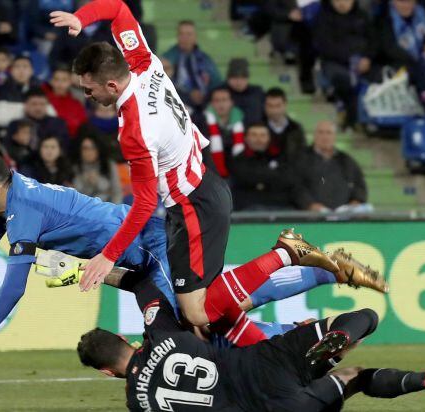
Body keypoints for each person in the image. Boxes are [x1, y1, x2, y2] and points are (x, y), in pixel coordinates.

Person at [0, 152, 386, 358]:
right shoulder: (3, 208)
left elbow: (13, 285)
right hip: (134, 251)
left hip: (148, 240)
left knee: (204, 321)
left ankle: (293, 317)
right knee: (206, 309)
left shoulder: (24, 209)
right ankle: (321, 274)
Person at [51, 0, 343, 337]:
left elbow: (145, 203)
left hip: (193, 207)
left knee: (198, 312)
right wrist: (81, 18)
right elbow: (118, 8)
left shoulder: (135, 131)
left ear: (112, 86)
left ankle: (285, 257)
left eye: (89, 89)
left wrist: (107, 256)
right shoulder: (143, 62)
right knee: (205, 310)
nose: (87, 95)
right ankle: (299, 324)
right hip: (202, 187)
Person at [76, 275, 425, 411]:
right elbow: (143, 282)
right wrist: (88, 270)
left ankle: (413, 377)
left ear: (105, 372)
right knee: (364, 319)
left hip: (272, 406)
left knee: (353, 377)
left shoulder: (139, 403)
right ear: (122, 337)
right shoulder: (160, 334)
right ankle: (347, 342)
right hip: (263, 360)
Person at [313, 0, 376, 127]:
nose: (342, 3)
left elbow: (374, 41)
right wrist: (350, 59)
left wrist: (367, 58)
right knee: (343, 80)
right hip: (334, 62)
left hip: (364, 62)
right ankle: (352, 118)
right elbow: (324, 46)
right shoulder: (322, 18)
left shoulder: (363, 16)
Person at [295, 121, 370, 212]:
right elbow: (295, 187)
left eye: (329, 133)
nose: (325, 136)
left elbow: (359, 186)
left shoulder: (346, 160)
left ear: (334, 136)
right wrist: (309, 204)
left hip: (343, 216)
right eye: (321, 132)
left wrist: (356, 202)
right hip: (312, 216)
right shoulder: (300, 158)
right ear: (314, 136)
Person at [230, 124, 295, 211]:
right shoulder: (238, 160)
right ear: (246, 138)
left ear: (269, 138)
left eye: (263, 135)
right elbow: (243, 179)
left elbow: (288, 180)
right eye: (254, 135)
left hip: (280, 206)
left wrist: (257, 178)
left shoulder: (280, 157)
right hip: (248, 208)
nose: (258, 139)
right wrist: (272, 175)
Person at [162, 20, 222, 110]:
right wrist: (189, 93)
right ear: (177, 36)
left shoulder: (205, 59)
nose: (185, 38)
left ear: (195, 37)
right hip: (177, 104)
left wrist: (204, 94)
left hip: (204, 105)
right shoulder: (168, 58)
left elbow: (217, 83)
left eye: (189, 34)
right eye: (181, 34)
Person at [374, 0, 425, 70]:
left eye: (409, 1)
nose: (406, 5)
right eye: (401, 1)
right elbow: (390, 50)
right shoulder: (383, 21)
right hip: (404, 69)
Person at [204, 87, 245, 177]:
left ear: (231, 102)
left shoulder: (243, 121)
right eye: (217, 100)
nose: (221, 104)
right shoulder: (202, 123)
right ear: (211, 103)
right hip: (210, 174)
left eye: (224, 100)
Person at [72, 135, 123, 203]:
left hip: (106, 206)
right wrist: (85, 179)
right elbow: (75, 194)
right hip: (83, 207)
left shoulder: (109, 165)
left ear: (98, 149)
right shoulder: (76, 167)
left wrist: (114, 211)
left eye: (93, 148)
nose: (89, 152)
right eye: (85, 148)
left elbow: (117, 191)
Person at [42, 65, 88, 137]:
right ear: (51, 81)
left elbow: (83, 125)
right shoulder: (43, 100)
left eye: (64, 80)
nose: (60, 84)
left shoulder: (76, 104)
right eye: (56, 79)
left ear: (70, 82)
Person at [264, 87, 306, 161]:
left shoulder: (296, 129)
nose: (274, 110)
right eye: (270, 106)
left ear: (285, 104)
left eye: (278, 106)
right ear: (265, 106)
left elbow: (302, 155)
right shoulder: (258, 128)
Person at [224, 58, 266, 125]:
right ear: (228, 78)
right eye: (234, 78)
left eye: (242, 77)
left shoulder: (257, 92)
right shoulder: (219, 93)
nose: (238, 82)